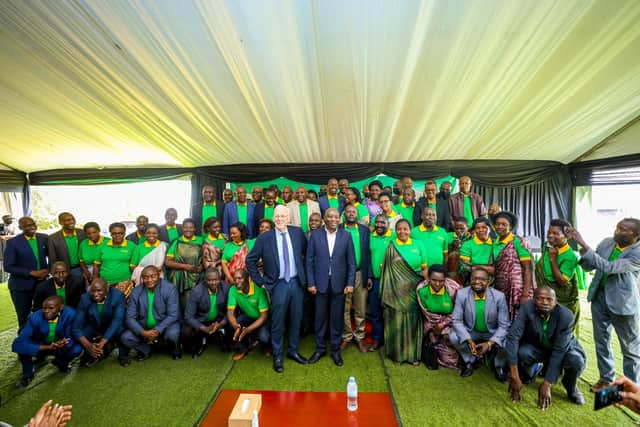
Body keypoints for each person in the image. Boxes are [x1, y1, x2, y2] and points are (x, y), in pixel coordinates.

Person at [567, 218, 640, 390]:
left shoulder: (637, 253)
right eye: (617, 227)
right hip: (599, 298)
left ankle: (632, 388)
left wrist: (583, 244)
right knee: (601, 341)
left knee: (630, 349)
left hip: (623, 304)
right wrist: (583, 256)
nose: (618, 231)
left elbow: (609, 267)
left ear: (636, 235)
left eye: (624, 230)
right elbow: (590, 265)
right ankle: (606, 379)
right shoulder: (608, 242)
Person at [246, 205, 308, 373]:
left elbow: (308, 255)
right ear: (273, 218)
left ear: (289, 218)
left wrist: (306, 278)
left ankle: (293, 351)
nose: (280, 219)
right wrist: (262, 282)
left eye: (283, 216)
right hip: (278, 284)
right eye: (277, 216)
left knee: (296, 319)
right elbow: (250, 260)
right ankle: (278, 356)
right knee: (278, 322)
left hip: (296, 283)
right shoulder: (265, 238)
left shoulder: (297, 233)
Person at [506, 287, 586, 409]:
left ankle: (571, 386)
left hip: (563, 350)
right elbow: (513, 337)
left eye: (549, 299)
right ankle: (529, 374)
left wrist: (547, 384)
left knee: (576, 361)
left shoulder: (566, 316)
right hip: (538, 347)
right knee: (523, 352)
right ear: (534, 300)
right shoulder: (527, 308)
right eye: (540, 298)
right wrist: (514, 376)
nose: (544, 302)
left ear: (556, 301)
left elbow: (559, 351)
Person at [306, 208, 356, 367]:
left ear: (339, 219)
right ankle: (320, 349)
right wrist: (311, 282)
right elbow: (309, 261)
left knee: (336, 319)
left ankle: (335, 350)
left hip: (339, 285)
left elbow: (351, 263)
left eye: (336, 217)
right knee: (319, 318)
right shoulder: (316, 235)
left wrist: (349, 283)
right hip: (319, 285)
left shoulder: (346, 236)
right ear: (324, 219)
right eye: (330, 216)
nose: (333, 219)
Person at [379, 219, 428, 364]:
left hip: (414, 288)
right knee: (396, 320)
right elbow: (385, 268)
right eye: (399, 229)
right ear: (395, 231)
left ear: (410, 230)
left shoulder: (418, 244)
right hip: (395, 290)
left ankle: (412, 355)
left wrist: (424, 286)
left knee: (413, 319)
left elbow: (425, 268)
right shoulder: (391, 246)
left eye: (405, 229)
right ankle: (397, 355)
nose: (402, 232)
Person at [450, 267, 510, 379]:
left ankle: (499, 365)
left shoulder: (498, 297)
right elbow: (456, 320)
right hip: (471, 331)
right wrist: (469, 339)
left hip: (491, 332)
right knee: (453, 336)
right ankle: (470, 361)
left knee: (508, 341)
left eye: (482, 279)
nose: (477, 282)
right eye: (474, 278)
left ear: (488, 282)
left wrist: (490, 343)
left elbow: (504, 325)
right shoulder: (462, 294)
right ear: (470, 279)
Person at [12, 296, 81, 387]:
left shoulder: (70, 314)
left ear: (61, 308)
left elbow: (71, 336)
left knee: (77, 348)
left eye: (51, 308)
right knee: (22, 348)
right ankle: (28, 375)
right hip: (41, 347)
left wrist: (64, 342)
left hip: (59, 346)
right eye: (44, 308)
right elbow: (18, 344)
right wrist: (48, 347)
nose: (46, 311)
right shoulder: (34, 317)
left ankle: (61, 362)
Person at [120, 266, 181, 366]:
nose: (149, 280)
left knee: (173, 334)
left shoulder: (170, 289)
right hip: (144, 328)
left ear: (159, 276)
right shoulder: (136, 292)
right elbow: (130, 317)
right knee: (126, 337)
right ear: (142, 278)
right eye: (146, 277)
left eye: (153, 276)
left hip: (164, 326)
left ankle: (174, 348)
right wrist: (143, 332)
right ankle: (146, 350)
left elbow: (173, 315)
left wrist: (157, 330)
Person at [4, 216, 49, 331]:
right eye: (28, 225)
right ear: (20, 227)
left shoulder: (44, 238)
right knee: (23, 316)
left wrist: (48, 270)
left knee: (43, 314)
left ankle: (42, 342)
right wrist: (32, 273)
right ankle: (24, 343)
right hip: (21, 285)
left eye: (33, 224)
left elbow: (52, 256)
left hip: (42, 284)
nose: (32, 227)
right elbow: (8, 266)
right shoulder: (13, 243)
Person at [534, 219, 579, 333]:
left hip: (562, 298)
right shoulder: (548, 246)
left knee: (560, 329)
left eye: (555, 233)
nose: (550, 236)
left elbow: (562, 281)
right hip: (544, 293)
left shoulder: (570, 256)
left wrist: (553, 259)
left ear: (566, 236)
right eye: (549, 232)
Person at [417, 264, 462, 370]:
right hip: (431, 323)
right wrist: (437, 327)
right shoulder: (422, 290)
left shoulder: (453, 288)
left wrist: (443, 325)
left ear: (445, 279)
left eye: (441, 281)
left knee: (452, 343)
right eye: (434, 280)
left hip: (451, 323)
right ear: (428, 278)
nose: (437, 284)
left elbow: (459, 311)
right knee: (433, 349)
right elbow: (427, 313)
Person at [72, 278, 126, 367]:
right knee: (83, 333)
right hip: (94, 326)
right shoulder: (84, 298)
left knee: (121, 331)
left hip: (112, 325)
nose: (95, 294)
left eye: (99, 290)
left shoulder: (117, 296)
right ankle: (91, 354)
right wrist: (88, 346)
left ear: (107, 289)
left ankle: (123, 355)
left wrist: (103, 342)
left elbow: (117, 320)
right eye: (92, 291)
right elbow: (76, 327)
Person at [340, 205, 371, 353]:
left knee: (360, 308)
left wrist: (369, 275)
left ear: (357, 214)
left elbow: (368, 254)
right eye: (348, 212)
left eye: (354, 212)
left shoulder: (364, 230)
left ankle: (359, 337)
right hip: (342, 274)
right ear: (344, 214)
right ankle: (346, 337)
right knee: (344, 308)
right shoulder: (339, 228)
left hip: (360, 273)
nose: (351, 214)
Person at [492, 211, 534, 320]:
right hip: (500, 287)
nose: (500, 227)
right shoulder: (494, 243)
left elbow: (528, 268)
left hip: (517, 288)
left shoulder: (517, 241)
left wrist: (525, 294)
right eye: (497, 224)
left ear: (510, 227)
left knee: (517, 318)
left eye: (504, 224)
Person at [182, 268, 229, 357]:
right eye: (210, 280)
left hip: (218, 320)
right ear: (205, 280)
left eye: (215, 280)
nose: (213, 283)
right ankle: (197, 343)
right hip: (201, 320)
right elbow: (188, 316)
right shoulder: (196, 291)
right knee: (186, 331)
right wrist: (204, 328)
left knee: (235, 321)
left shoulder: (226, 288)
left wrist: (220, 324)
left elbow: (230, 312)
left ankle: (225, 340)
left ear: (219, 279)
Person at [227, 269, 270, 361]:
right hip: (248, 316)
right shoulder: (233, 289)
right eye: (235, 279)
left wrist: (248, 329)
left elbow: (264, 317)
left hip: (263, 319)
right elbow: (230, 311)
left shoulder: (259, 290)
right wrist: (235, 325)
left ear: (248, 278)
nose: (237, 282)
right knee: (237, 321)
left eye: (239, 278)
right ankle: (243, 349)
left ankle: (267, 346)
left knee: (264, 337)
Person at [368, 214, 395, 351]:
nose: (379, 225)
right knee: (375, 312)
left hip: (391, 282)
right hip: (375, 281)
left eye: (382, 223)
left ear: (388, 224)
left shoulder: (394, 237)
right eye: (376, 222)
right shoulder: (370, 237)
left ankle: (391, 340)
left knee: (391, 312)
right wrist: (369, 277)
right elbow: (367, 257)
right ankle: (377, 339)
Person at [164, 218, 204, 310]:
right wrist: (186, 267)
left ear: (195, 229)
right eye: (185, 227)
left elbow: (205, 257)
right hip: (179, 278)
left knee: (195, 301)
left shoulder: (201, 241)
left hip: (196, 277)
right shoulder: (176, 242)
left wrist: (202, 266)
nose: (188, 230)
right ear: (182, 228)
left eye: (191, 227)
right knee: (179, 303)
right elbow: (168, 262)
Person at [93, 222, 136, 299]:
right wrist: (95, 281)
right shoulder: (102, 246)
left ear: (124, 233)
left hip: (125, 282)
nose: (117, 235)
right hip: (105, 283)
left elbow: (134, 265)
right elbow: (96, 265)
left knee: (123, 305)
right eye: (114, 233)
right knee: (108, 306)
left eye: (120, 233)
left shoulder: (131, 246)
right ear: (110, 234)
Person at [47, 212, 85, 279]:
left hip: (83, 269)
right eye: (68, 220)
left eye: (73, 219)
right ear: (61, 222)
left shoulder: (82, 233)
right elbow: (52, 258)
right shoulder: (53, 238)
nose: (72, 221)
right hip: (64, 272)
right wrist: (54, 274)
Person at [459, 217, 495, 284]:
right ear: (474, 230)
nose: (481, 230)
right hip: (473, 280)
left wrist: (476, 266)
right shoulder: (467, 245)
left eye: (484, 227)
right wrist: (488, 268)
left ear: (490, 228)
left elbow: (499, 266)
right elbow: (465, 266)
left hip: (493, 281)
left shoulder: (495, 244)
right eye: (477, 228)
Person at [78, 222, 110, 286]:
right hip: (89, 271)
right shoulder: (83, 243)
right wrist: (86, 272)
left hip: (105, 269)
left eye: (94, 232)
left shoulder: (108, 241)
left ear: (99, 231)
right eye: (89, 233)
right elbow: (81, 260)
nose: (92, 235)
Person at [446, 216, 472, 284]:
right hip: (452, 272)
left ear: (468, 227)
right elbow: (443, 253)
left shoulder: (472, 239)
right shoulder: (448, 236)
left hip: (467, 272)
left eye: (462, 228)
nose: (459, 231)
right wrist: (451, 246)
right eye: (456, 228)